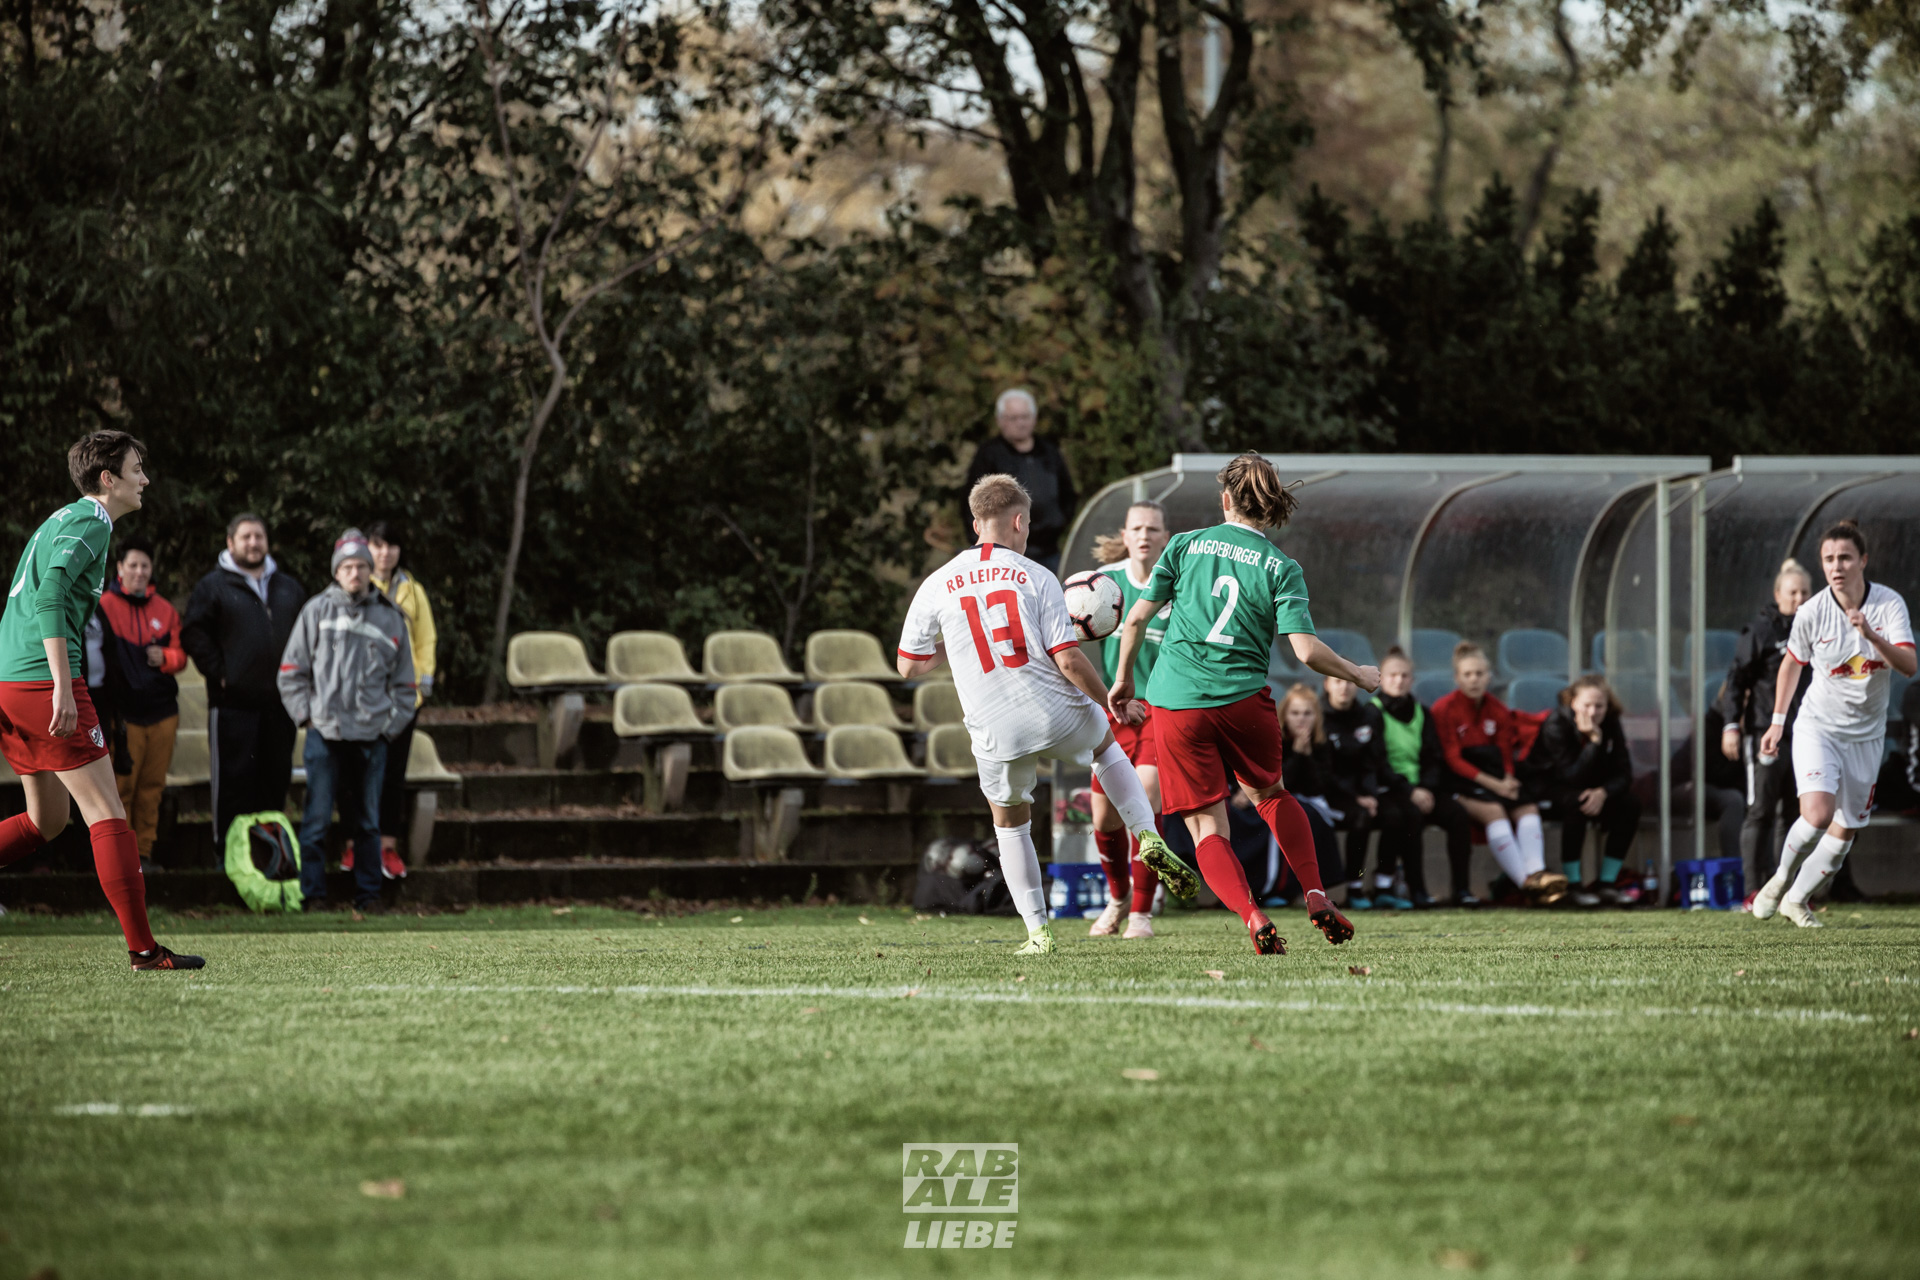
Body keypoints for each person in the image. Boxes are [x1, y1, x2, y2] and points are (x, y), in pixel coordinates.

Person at [1108, 451, 1379, 955]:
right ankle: (1315, 893)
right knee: (1272, 796)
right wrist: (1359, 674)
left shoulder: (1184, 544)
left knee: (1206, 826)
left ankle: (1253, 916)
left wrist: (1123, 680)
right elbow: (1306, 651)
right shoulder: (1282, 567)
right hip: (1244, 702)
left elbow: (1136, 620)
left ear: (1225, 500)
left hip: (1177, 704)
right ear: (1269, 505)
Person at [896, 476, 1175, 956]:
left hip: (995, 729)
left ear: (975, 522)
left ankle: (1038, 933)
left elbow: (908, 665)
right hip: (1054, 712)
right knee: (1105, 749)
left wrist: (956, 646)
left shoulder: (937, 582)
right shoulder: (1036, 575)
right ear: (1019, 521)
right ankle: (1147, 834)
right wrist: (1109, 700)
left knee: (1011, 827)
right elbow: (1067, 659)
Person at [0, 432, 202, 969]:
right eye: (137, 469)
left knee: (46, 820)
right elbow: (49, 595)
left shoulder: (63, 519)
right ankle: (144, 950)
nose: (146, 480)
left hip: (10, 682)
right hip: (41, 681)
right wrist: (63, 686)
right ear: (108, 479)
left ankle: (143, 947)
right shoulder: (91, 519)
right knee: (108, 813)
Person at [1753, 521, 1914, 927]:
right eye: (1828, 559)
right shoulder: (1812, 611)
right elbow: (1792, 664)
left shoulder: (1889, 604)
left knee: (1845, 832)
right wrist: (1777, 723)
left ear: (1863, 560)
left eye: (1844, 557)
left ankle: (1796, 900)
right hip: (1819, 727)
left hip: (1866, 735)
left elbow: (1909, 666)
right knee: (1818, 813)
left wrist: (1872, 635)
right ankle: (1779, 879)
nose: (1836, 566)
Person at [278, 529, 418, 912]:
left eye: (361, 566)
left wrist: (388, 729)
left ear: (371, 571)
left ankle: (369, 896)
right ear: (336, 572)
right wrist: (307, 718)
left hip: (372, 737)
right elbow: (290, 673)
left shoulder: (392, 619)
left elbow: (406, 687)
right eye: (348, 566)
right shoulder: (315, 611)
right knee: (316, 820)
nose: (355, 573)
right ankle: (313, 896)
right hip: (324, 733)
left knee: (369, 823)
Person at [181, 513, 306, 846]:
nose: (253, 543)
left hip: (281, 706)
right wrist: (223, 674)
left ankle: (269, 858)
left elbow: (307, 638)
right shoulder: (213, 586)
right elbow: (193, 633)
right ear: (230, 542)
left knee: (275, 784)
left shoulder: (289, 587)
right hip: (233, 706)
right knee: (234, 786)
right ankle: (229, 856)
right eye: (246, 537)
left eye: (258, 536)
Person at [1085, 500, 1170, 939]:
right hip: (1113, 708)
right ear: (1124, 535)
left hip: (1159, 710)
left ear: (1165, 537)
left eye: (1152, 529)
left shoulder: (1175, 584)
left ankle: (1141, 913)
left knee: (1146, 798)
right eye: (1136, 528)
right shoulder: (1103, 584)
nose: (1144, 536)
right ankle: (1117, 898)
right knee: (1104, 818)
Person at [1431, 642, 1565, 905]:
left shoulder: (1498, 710)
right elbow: (1453, 760)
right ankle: (1528, 884)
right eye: (1468, 674)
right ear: (1457, 678)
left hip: (1494, 778)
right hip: (1458, 781)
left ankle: (1537, 873)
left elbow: (1505, 752)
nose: (1474, 680)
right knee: (1494, 811)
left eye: (1479, 674)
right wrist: (1496, 785)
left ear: (1489, 677)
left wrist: (1508, 778)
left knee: (1527, 808)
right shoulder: (1443, 709)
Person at [83, 536, 188, 866]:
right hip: (124, 716)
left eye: (145, 565)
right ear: (119, 568)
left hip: (163, 712)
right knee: (121, 789)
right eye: (133, 565)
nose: (139, 572)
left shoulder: (166, 610)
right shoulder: (103, 606)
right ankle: (120, 859)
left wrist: (167, 657)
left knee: (152, 788)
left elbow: (182, 655)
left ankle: (144, 854)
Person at [1716, 559, 1812, 904]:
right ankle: (1752, 890)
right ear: (1777, 594)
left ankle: (1789, 891)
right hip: (1764, 734)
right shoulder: (1760, 631)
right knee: (1760, 810)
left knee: (1796, 815)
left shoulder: (1817, 626)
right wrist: (1731, 725)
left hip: (1807, 735)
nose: (1799, 599)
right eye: (1792, 592)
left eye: (1805, 592)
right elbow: (1736, 680)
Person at [1373, 646, 1476, 907]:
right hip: (1392, 790)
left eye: (1405, 675)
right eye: (1393, 675)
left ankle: (1462, 890)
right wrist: (1411, 791)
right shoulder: (1373, 711)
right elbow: (1378, 763)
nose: (1399, 680)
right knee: (1411, 816)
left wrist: (1426, 788)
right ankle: (1417, 890)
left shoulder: (1422, 712)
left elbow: (1433, 757)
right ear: (1381, 679)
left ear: (1412, 679)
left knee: (1457, 815)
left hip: (1422, 789)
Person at [364, 519, 437, 883]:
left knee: (393, 774)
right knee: (360, 774)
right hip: (364, 700)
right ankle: (356, 844)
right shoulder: (356, 582)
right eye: (378, 545)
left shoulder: (413, 589)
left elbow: (426, 639)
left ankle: (387, 847)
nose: (385, 553)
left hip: (404, 699)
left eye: (391, 545)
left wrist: (420, 688)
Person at [1528, 675, 1642, 907]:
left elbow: (1624, 773)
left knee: (1630, 804)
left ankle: (1607, 883)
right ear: (1573, 703)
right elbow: (1571, 776)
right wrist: (1593, 742)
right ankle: (1573, 884)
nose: (1593, 712)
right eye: (1586, 705)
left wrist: (1603, 792)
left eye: (1599, 706)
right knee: (1578, 802)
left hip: (1593, 789)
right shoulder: (1556, 724)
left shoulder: (1611, 722)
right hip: (1551, 788)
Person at [1322, 674, 1420, 910]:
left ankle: (1383, 887)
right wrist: (1357, 797)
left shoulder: (1367, 716)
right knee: (1361, 818)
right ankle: (1354, 888)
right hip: (1331, 796)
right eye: (1337, 681)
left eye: (1348, 681)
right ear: (1327, 685)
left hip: (1365, 793)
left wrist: (1371, 795)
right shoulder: (1319, 717)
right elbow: (1324, 771)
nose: (1344, 687)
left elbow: (1373, 760)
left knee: (1396, 814)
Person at [962, 389, 1078, 576]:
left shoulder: (1049, 451)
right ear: (1000, 420)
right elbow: (971, 501)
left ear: (1034, 418)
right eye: (1013, 418)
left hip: (1049, 551)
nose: (1020, 423)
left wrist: (1059, 521)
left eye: (1025, 417)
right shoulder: (990, 454)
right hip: (1006, 553)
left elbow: (1067, 493)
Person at [1277, 682, 1356, 898]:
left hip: (1314, 801)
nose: (1301, 719)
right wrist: (1296, 754)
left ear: (1316, 717)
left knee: (1312, 818)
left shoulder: (1321, 744)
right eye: (1295, 713)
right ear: (1285, 715)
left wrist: (1307, 756)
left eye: (1307, 714)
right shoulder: (1278, 741)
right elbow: (1281, 782)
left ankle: (1318, 887)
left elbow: (1320, 785)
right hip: (1283, 801)